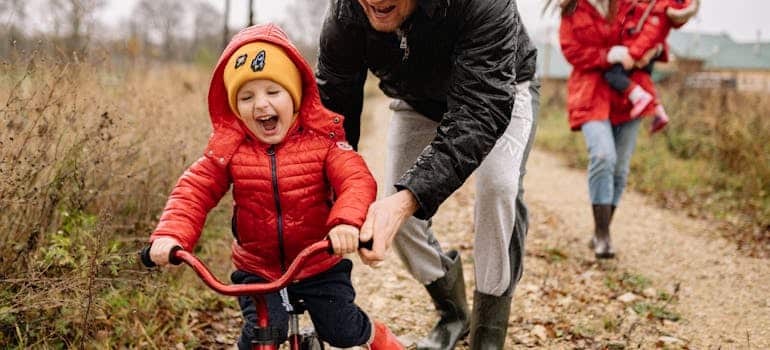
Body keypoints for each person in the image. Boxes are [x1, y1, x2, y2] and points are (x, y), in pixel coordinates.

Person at [146, 23, 403, 349]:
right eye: (246, 96)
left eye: (273, 91)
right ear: (235, 107)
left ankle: (376, 336)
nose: (261, 105)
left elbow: (357, 179)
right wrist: (171, 234)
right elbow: (194, 190)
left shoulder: (322, 142)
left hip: (319, 262)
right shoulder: (230, 149)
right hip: (259, 269)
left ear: (295, 96)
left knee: (341, 330)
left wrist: (345, 223)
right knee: (262, 337)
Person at [316, 1, 539, 348]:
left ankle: (488, 336)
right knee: (396, 213)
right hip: (418, 99)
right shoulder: (346, 13)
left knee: (498, 187)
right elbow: (333, 115)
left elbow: (479, 112)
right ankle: (453, 313)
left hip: (498, 90)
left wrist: (407, 200)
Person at [557, 0, 660, 258]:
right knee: (603, 156)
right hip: (590, 94)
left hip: (629, 93)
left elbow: (654, 31)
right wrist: (607, 56)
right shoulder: (573, 9)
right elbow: (571, 51)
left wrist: (653, 49)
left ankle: (601, 230)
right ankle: (603, 235)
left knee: (620, 168)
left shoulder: (632, 5)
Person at [602, 0, 699, 133]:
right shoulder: (642, 6)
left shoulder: (658, 7)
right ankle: (657, 110)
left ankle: (640, 98)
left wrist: (635, 54)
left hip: (634, 51)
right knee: (642, 77)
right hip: (633, 50)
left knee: (614, 74)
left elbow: (651, 34)